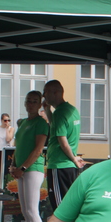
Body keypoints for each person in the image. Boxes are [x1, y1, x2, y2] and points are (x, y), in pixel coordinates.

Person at [10, 91, 50, 222]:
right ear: (25, 103)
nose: (31, 104)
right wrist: (13, 165)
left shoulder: (41, 123)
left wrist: (23, 168)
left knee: (33, 210)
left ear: (40, 104)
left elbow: (38, 149)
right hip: (21, 168)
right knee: (25, 211)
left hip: (33, 169)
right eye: (29, 101)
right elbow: (18, 147)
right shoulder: (24, 122)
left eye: (35, 101)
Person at [42, 79, 85, 211]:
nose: (44, 96)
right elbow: (56, 126)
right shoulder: (71, 110)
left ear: (54, 93)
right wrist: (47, 110)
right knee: (69, 203)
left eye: (45, 92)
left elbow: (62, 140)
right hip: (68, 166)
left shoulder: (60, 113)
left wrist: (73, 158)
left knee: (59, 206)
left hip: (59, 164)